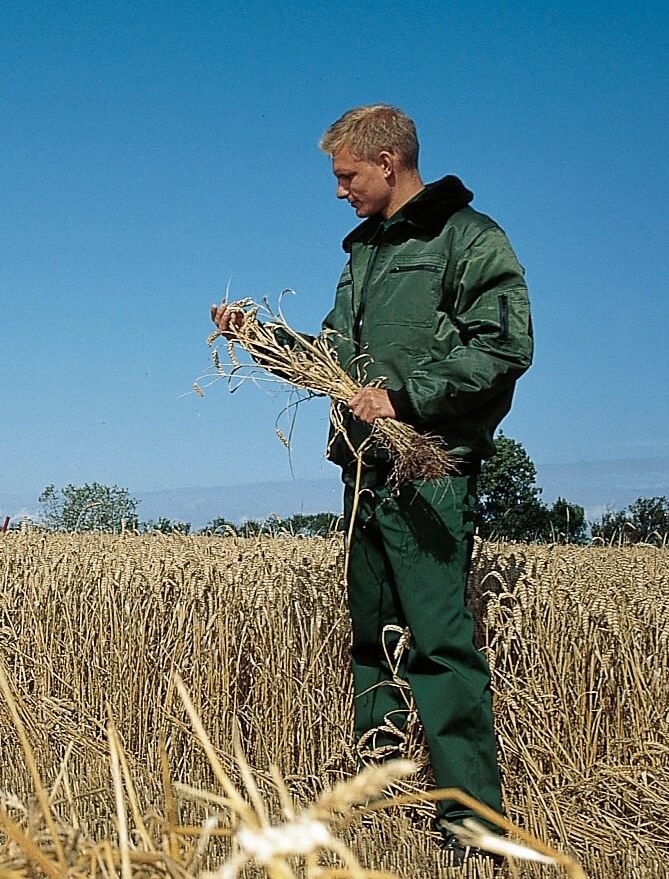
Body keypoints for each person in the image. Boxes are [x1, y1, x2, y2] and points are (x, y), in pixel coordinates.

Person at [214, 104, 533, 864]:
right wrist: (256, 337)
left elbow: (505, 344)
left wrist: (407, 398)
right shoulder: (363, 257)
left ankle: (472, 826)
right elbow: (329, 357)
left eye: (346, 175)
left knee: (439, 647)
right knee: (372, 641)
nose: (338, 191)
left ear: (388, 161)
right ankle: (382, 799)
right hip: (364, 474)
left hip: (431, 474)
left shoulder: (468, 238)